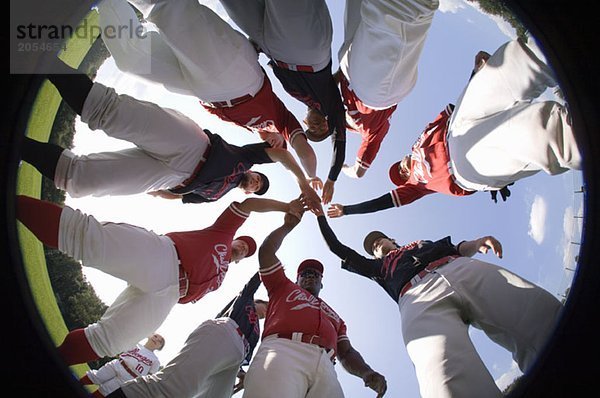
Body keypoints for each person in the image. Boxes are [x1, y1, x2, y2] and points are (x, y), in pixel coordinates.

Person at [15, 194, 303, 366]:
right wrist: (284, 209)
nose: (243, 248)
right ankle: (13, 205)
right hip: (165, 256)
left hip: (169, 297)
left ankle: (47, 363)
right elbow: (248, 203)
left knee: (111, 341)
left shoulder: (221, 278)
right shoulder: (222, 233)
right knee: (84, 238)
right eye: (243, 243)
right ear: (236, 238)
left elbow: (190, 299)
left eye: (246, 251)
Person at [313, 205, 563, 397]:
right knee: (444, 379)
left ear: (391, 238)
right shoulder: (377, 267)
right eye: (373, 247)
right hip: (415, 297)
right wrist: (320, 216)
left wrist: (476, 243)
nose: (376, 245)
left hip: (458, 268)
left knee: (537, 315)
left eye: (379, 240)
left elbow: (455, 247)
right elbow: (338, 248)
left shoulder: (420, 243)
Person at [328, 35, 581, 218]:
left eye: (399, 169)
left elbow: (454, 110)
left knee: (513, 64)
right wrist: (348, 210)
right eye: (401, 176)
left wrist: (474, 76)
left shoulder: (419, 141)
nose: (403, 171)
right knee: (540, 133)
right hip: (461, 168)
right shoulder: (417, 186)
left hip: (458, 123)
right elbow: (383, 202)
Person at [21, 58, 320, 207]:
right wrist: (303, 181)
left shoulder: (215, 197)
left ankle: (16, 146)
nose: (255, 182)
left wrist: (161, 192)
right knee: (108, 112)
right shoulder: (246, 159)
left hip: (173, 179)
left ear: (247, 191)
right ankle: (39, 57)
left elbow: (179, 199)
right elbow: (280, 153)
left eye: (256, 187)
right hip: (194, 146)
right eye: (259, 180)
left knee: (82, 180)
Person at [95, 0, 320, 186]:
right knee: (169, 9)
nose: (272, 144)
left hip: (205, 92)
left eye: (271, 148)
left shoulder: (252, 128)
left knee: (133, 59)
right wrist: (311, 178)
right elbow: (306, 153)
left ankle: (106, 4)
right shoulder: (281, 119)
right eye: (279, 144)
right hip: (238, 77)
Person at [242, 211, 388, 398]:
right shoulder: (282, 286)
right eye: (305, 273)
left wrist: (366, 372)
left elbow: (346, 351)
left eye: (315, 274)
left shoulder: (336, 318)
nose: (310, 275)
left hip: (327, 364)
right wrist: (287, 226)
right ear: (297, 280)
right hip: (283, 349)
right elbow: (266, 252)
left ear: (321, 282)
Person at [217, 0, 347, 204]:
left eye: (312, 130)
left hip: (271, 48)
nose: (316, 126)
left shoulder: (293, 103)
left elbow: (302, 151)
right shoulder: (333, 105)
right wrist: (331, 178)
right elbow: (339, 142)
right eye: (322, 128)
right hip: (306, 50)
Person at [104, 273, 268, 398]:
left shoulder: (257, 332)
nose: (266, 311)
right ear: (258, 302)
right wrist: (269, 267)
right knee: (174, 388)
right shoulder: (246, 300)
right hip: (225, 332)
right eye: (266, 306)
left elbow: (238, 358)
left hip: (235, 356)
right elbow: (254, 280)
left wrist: (241, 374)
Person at [336, 0, 439, 179]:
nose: (319, 127)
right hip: (376, 94)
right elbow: (358, 172)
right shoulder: (369, 133)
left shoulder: (338, 104)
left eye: (315, 128)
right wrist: (342, 168)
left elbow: (333, 80)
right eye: (320, 131)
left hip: (348, 64)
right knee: (395, 12)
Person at [79, 333, 165, 397]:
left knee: (105, 391)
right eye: (156, 336)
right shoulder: (135, 344)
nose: (156, 339)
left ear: (159, 347)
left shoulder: (155, 361)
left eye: (160, 341)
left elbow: (149, 377)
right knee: (96, 376)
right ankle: (72, 386)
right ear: (150, 336)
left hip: (129, 377)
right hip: (117, 364)